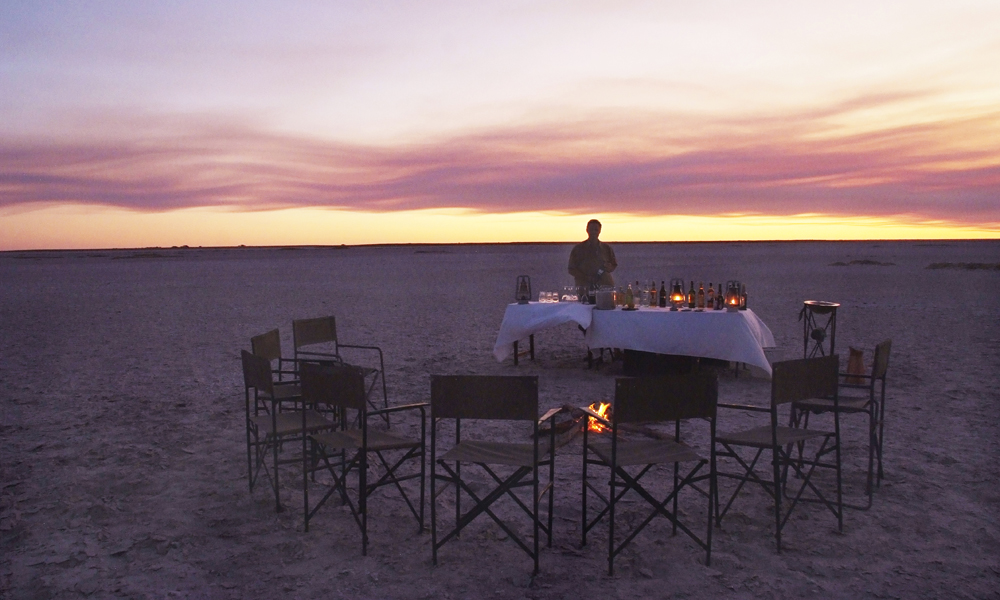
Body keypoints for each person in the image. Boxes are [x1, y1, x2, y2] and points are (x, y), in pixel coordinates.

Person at [568, 219, 617, 290]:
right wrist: (586, 277)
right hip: (585, 287)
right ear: (587, 230)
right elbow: (571, 269)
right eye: (591, 229)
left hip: (605, 285)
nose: (593, 232)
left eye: (596, 230)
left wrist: (609, 267)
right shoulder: (578, 249)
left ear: (600, 231)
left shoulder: (606, 248)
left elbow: (613, 264)